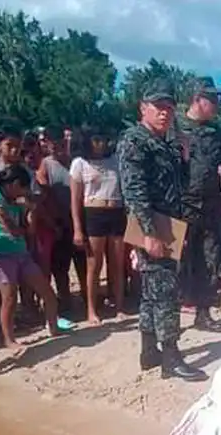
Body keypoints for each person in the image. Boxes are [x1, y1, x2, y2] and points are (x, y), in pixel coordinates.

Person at [117, 79, 207, 382]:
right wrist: (148, 233)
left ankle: (148, 351)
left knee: (151, 291)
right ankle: (170, 355)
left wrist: (182, 155)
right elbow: (134, 191)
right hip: (152, 223)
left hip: (168, 221)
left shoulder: (166, 142)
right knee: (166, 290)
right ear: (143, 107)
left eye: (169, 107)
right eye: (159, 107)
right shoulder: (135, 140)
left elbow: (180, 182)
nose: (165, 113)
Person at [0, 164, 70, 347]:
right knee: (9, 298)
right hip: (2, 255)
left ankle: (53, 327)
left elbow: (29, 231)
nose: (25, 192)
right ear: (15, 184)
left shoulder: (13, 200)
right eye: (23, 188)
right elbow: (12, 229)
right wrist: (25, 213)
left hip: (20, 253)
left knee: (47, 291)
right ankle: (9, 339)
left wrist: (31, 210)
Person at [177, 76, 221, 333]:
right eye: (211, 99)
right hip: (181, 206)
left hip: (210, 205)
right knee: (177, 262)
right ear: (197, 99)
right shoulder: (175, 128)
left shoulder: (218, 134)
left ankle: (204, 312)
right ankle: (170, 318)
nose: (216, 104)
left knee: (210, 260)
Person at [69, 127, 126, 325]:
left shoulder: (115, 161)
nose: (100, 144)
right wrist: (77, 228)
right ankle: (91, 310)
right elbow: (75, 200)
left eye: (102, 139)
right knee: (94, 265)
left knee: (117, 263)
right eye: (95, 140)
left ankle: (119, 307)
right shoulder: (79, 163)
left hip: (117, 211)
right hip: (94, 213)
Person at [37, 127, 85, 313]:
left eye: (59, 142)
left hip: (80, 220)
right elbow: (43, 195)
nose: (55, 146)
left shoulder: (78, 161)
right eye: (51, 143)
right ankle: (65, 302)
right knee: (60, 267)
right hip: (59, 224)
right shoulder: (46, 165)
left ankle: (87, 298)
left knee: (83, 263)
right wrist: (53, 222)